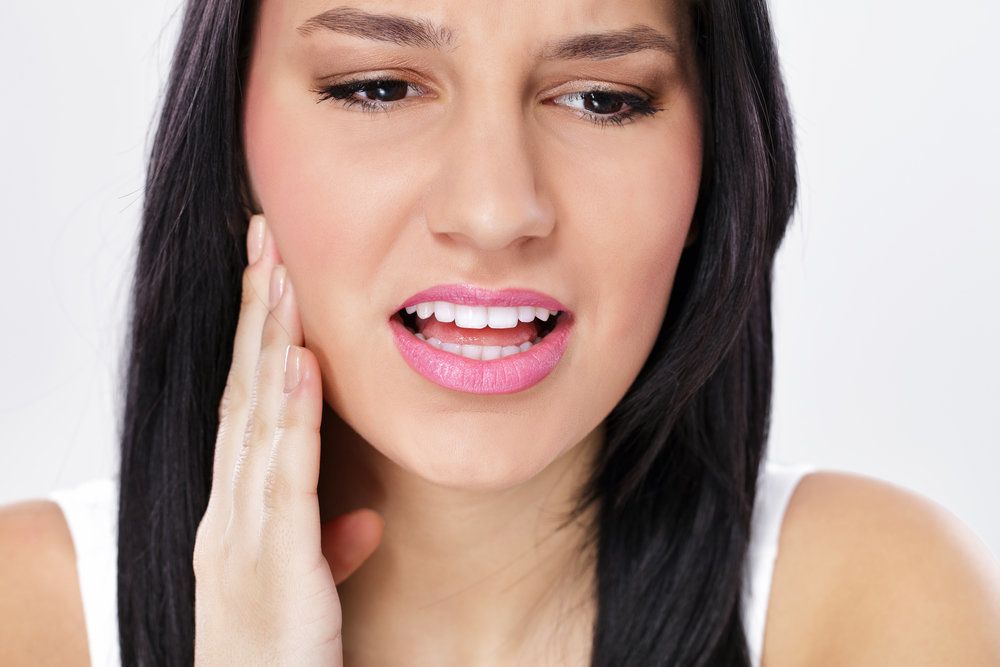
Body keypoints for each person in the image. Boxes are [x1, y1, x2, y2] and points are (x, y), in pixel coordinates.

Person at [2, 0, 999, 665]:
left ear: (715, 162)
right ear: (229, 140)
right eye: (379, 87)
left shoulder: (872, 607)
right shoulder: (29, 620)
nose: (493, 208)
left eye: (602, 98)